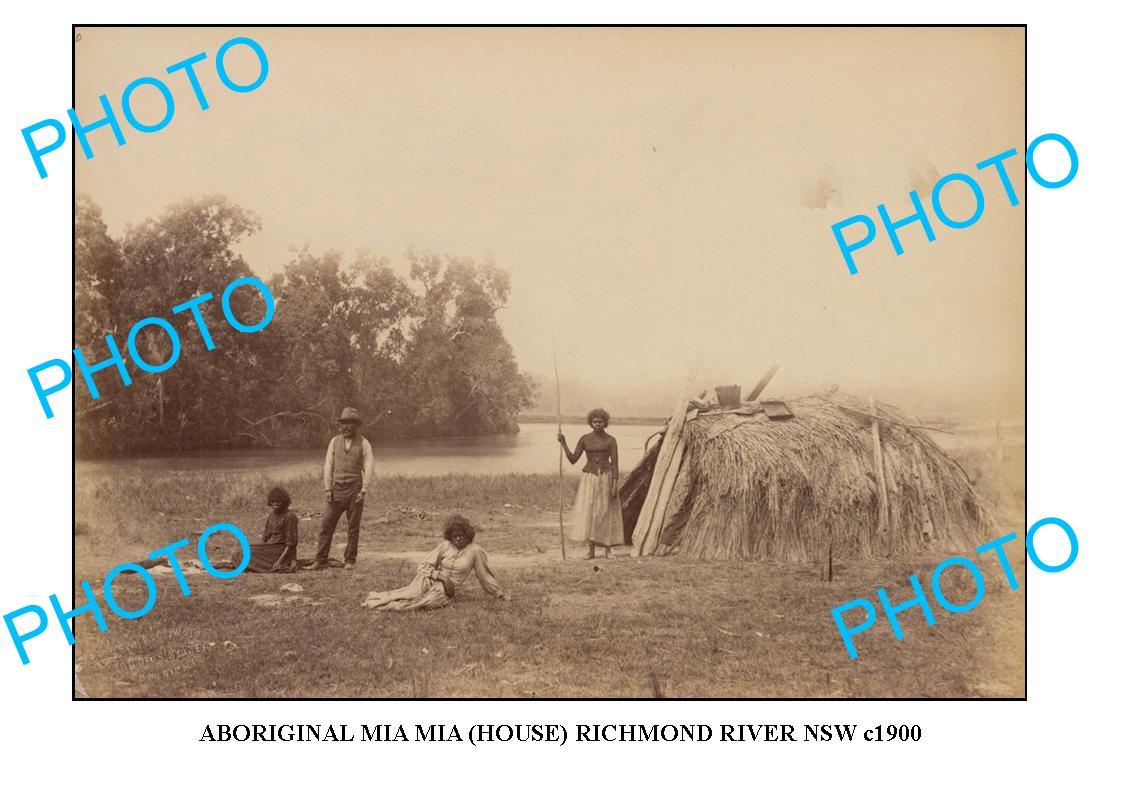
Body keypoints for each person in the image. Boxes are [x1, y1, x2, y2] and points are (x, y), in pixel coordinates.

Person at [361, 514, 507, 611]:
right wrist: (442, 577)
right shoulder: (444, 546)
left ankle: (381, 605)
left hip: (445, 591)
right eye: (454, 536)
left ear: (467, 536)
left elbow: (484, 576)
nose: (458, 539)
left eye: (461, 536)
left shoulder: (475, 551)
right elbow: (423, 566)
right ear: (450, 536)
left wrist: (498, 593)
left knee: (423, 603)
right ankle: (375, 599)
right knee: (412, 593)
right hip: (430, 579)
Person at [307, 407, 374, 572]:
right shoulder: (334, 442)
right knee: (326, 525)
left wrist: (363, 490)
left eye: (350, 424)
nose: (346, 427)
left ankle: (350, 559)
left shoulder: (364, 443)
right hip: (336, 489)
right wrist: (328, 489)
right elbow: (328, 465)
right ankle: (320, 559)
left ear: (356, 425)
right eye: (343, 423)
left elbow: (369, 466)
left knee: (353, 526)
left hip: (355, 490)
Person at [557, 407, 624, 559]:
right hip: (589, 479)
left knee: (605, 512)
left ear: (605, 423)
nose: (597, 424)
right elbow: (573, 459)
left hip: (605, 478)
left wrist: (615, 484)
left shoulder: (611, 440)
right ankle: (591, 551)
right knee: (590, 512)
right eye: (594, 422)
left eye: (600, 422)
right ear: (590, 423)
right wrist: (564, 442)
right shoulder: (585, 439)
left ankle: (608, 550)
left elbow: (615, 463)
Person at [246, 486, 299, 573]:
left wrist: (279, 562)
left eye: (278, 501)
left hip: (281, 551)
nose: (275, 504)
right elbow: (266, 538)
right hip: (270, 548)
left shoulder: (290, 517)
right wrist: (261, 549)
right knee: (241, 549)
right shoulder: (272, 515)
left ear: (284, 502)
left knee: (243, 553)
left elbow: (291, 544)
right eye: (273, 501)